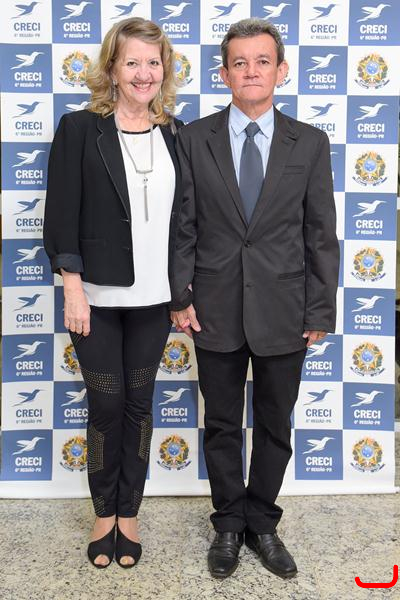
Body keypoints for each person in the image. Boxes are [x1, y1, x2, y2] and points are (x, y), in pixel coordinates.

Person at [170, 18, 339, 580]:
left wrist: (320, 308)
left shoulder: (309, 143)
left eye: (262, 61)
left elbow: (320, 232)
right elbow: (183, 226)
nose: (250, 71)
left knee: (274, 424)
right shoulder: (194, 139)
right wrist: (180, 295)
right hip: (212, 306)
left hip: (286, 309)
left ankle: (262, 522)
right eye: (239, 62)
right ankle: (227, 524)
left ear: (281, 70)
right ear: (224, 74)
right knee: (220, 423)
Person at [44, 17, 182, 569]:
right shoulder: (80, 128)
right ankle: (104, 515)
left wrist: (184, 291)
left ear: (164, 69)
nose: (144, 73)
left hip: (156, 299)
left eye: (153, 62)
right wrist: (72, 288)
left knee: (139, 408)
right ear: (112, 68)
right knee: (106, 406)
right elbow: (61, 215)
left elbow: (188, 221)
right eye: (132, 62)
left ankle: (130, 513)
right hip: (96, 299)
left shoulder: (176, 133)